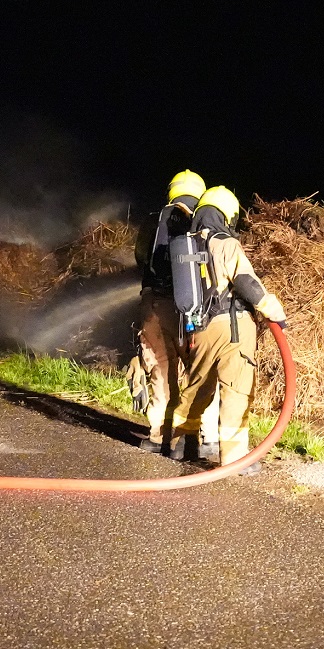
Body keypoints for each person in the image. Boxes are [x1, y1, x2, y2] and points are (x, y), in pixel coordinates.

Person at [169, 185, 287, 468]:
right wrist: (273, 311)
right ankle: (234, 460)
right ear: (227, 216)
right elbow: (245, 281)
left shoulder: (187, 245)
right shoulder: (225, 243)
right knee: (236, 390)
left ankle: (180, 444)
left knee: (197, 386)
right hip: (232, 329)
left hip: (198, 329)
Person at [128, 169, 206, 452]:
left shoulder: (154, 221)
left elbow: (140, 258)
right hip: (189, 308)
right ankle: (194, 438)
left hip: (152, 305)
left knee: (161, 366)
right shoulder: (199, 220)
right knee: (199, 368)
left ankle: (159, 436)